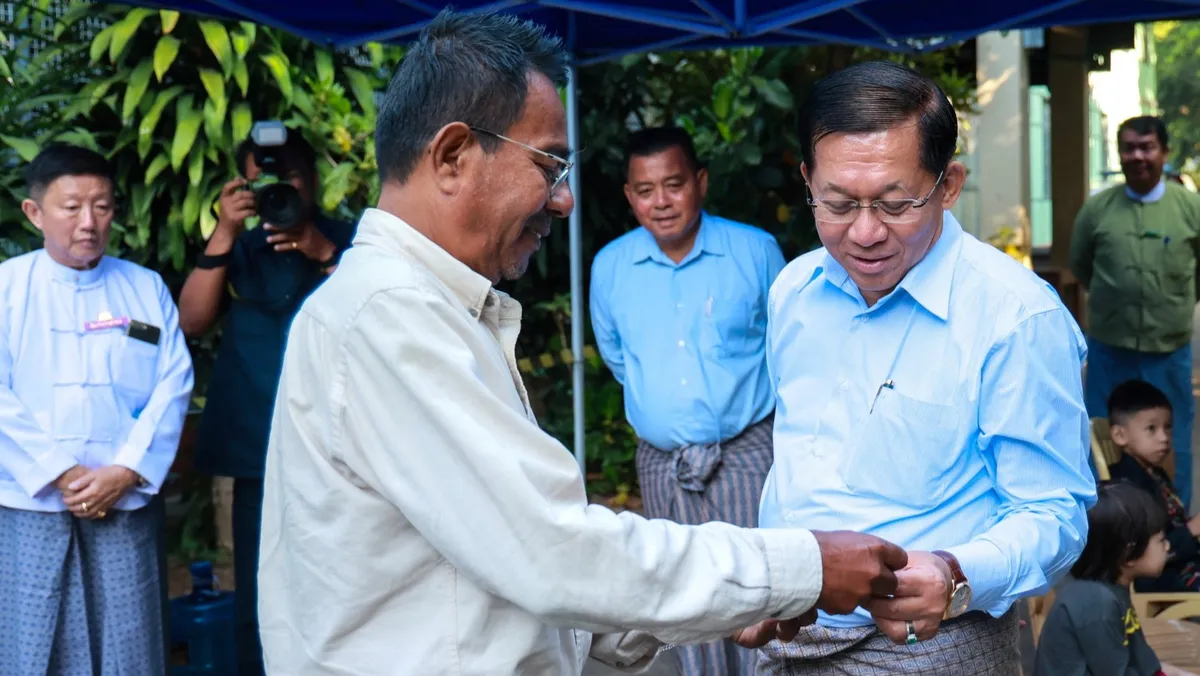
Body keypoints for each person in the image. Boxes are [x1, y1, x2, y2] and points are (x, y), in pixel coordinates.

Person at [257, 10, 910, 676]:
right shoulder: (389, 315)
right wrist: (802, 566)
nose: (564, 200)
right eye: (550, 165)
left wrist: (737, 600)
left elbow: (511, 564)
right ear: (454, 157)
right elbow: (552, 551)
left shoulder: (429, 307)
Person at [757, 60, 1098, 674]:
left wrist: (954, 573)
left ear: (949, 184)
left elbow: (1054, 513)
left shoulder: (1015, 318)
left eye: (895, 204)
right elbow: (796, 465)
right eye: (837, 203)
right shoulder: (794, 291)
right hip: (787, 633)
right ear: (807, 180)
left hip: (932, 644)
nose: (865, 232)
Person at [590, 126, 787, 675]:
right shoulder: (610, 266)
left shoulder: (755, 252)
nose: (661, 201)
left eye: (673, 185)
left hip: (748, 454)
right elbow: (618, 357)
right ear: (629, 196)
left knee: (759, 589)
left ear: (700, 182)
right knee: (684, 600)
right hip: (662, 463)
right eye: (645, 190)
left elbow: (787, 348)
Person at [0, 144, 193, 675]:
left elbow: (173, 382)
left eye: (102, 206)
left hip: (122, 499)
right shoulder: (7, 289)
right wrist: (59, 472)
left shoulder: (143, 289)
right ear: (34, 213)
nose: (88, 222)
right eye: (71, 207)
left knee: (129, 645)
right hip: (31, 502)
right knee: (32, 644)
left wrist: (127, 469)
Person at [177, 132, 355, 675]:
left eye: (290, 177)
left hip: (339, 443)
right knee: (260, 580)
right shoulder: (236, 246)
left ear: (313, 180)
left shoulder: (348, 239)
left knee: (345, 577)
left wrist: (323, 252)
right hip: (256, 440)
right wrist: (224, 231)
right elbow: (191, 321)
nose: (281, 190)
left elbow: (377, 314)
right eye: (265, 181)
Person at [1070, 115, 1200, 509]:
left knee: (1171, 438)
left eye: (1147, 147)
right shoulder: (1098, 210)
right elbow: (1081, 265)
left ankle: (1173, 520)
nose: (1138, 156)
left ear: (1164, 152)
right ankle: (1109, 519)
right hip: (1111, 348)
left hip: (1169, 349)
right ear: (1120, 153)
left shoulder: (1190, 208)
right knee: (1104, 435)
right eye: (1129, 148)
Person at [1033, 481, 1196, 676]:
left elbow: (1145, 665)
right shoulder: (1095, 603)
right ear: (1128, 555)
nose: (1168, 546)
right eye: (1161, 540)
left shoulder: (1114, 589)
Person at [1106, 380, 1200, 592]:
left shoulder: (1155, 473)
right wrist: (1191, 530)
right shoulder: (1125, 485)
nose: (1164, 437)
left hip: (1183, 562)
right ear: (1120, 435)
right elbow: (1141, 555)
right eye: (1151, 429)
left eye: (1168, 427)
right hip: (1163, 577)